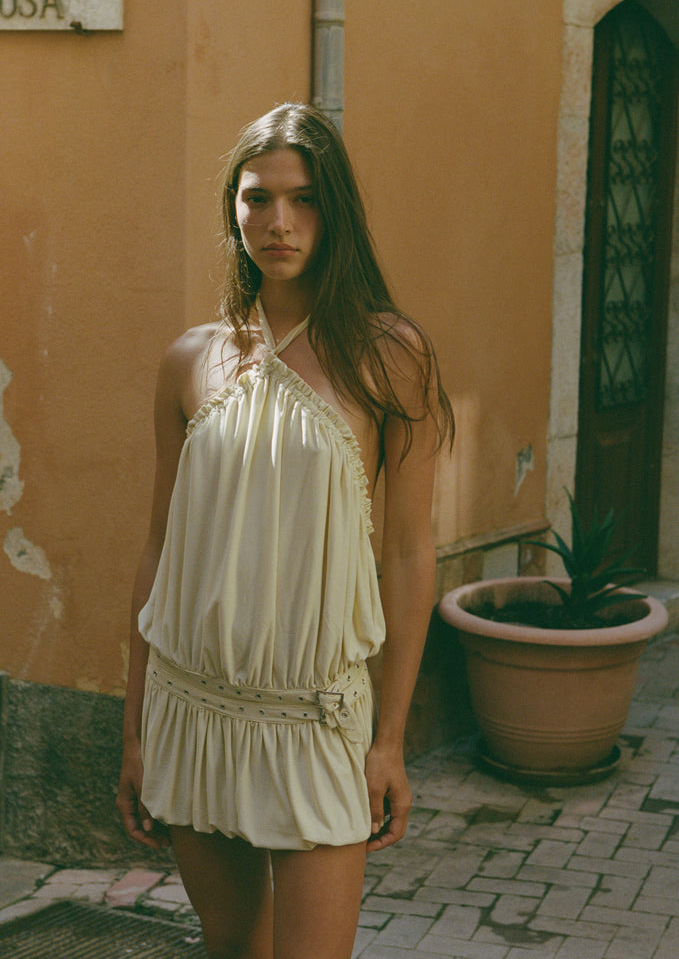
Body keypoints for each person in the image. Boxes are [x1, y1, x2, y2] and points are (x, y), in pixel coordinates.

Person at [116, 102, 454, 959]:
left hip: (316, 721)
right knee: (232, 947)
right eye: (257, 198)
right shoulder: (191, 360)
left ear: (335, 212)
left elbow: (409, 554)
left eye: (304, 200)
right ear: (233, 209)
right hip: (193, 708)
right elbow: (159, 548)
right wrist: (136, 728)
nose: (279, 222)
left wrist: (389, 739)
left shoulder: (389, 355)